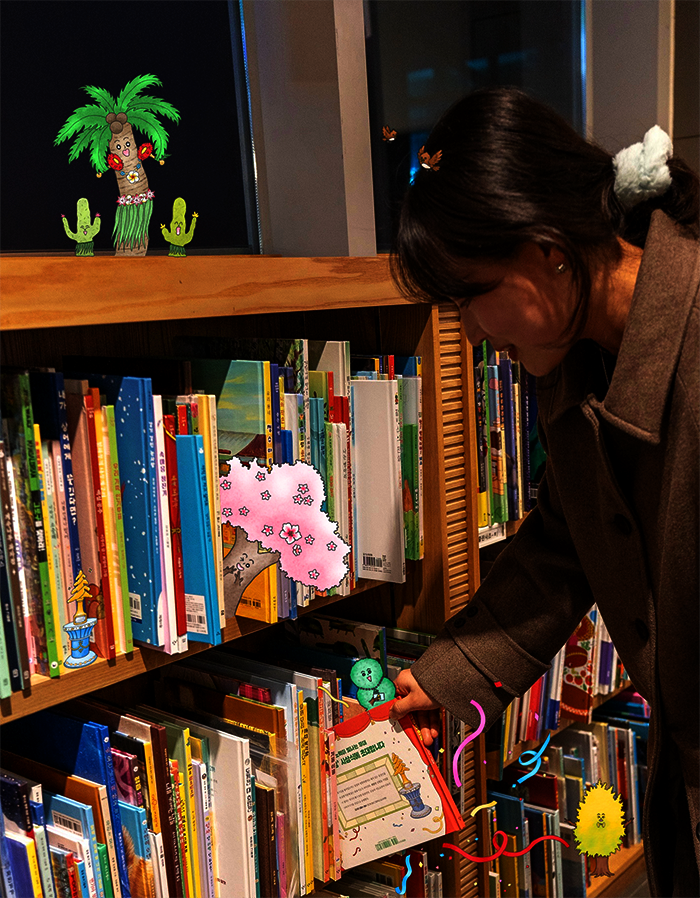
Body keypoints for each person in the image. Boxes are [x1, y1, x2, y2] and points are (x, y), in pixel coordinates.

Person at [388, 87, 700, 897]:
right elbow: (569, 536)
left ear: (548, 250)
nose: (470, 329)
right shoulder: (577, 359)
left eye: (471, 294)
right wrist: (453, 671)